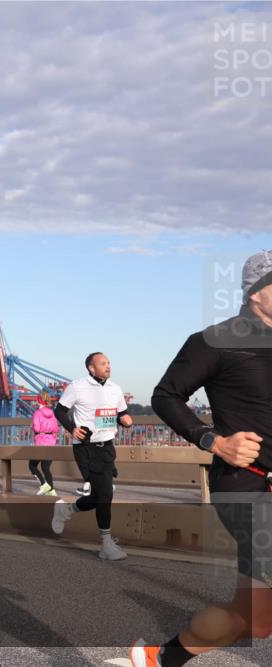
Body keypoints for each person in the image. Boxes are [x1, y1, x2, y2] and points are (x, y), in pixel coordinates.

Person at [129, 250, 272, 667]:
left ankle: (160, 658)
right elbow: (165, 396)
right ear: (254, 291)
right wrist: (213, 441)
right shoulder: (215, 341)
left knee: (255, 622)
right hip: (247, 486)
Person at [50, 352, 134, 561]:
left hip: (107, 447)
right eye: (103, 363)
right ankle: (106, 544)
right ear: (91, 368)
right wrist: (72, 428)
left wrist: (124, 419)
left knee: (100, 496)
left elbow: (120, 413)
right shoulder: (77, 386)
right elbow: (59, 411)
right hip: (87, 448)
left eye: (109, 363)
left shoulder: (115, 389)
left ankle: (66, 510)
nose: (108, 366)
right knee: (105, 494)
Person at [29, 392, 59, 496]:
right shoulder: (52, 413)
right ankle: (51, 490)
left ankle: (44, 484)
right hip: (51, 442)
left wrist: (32, 426)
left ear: (39, 401)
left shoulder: (37, 413)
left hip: (41, 443)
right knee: (46, 468)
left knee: (32, 465)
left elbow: (37, 428)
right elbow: (56, 428)